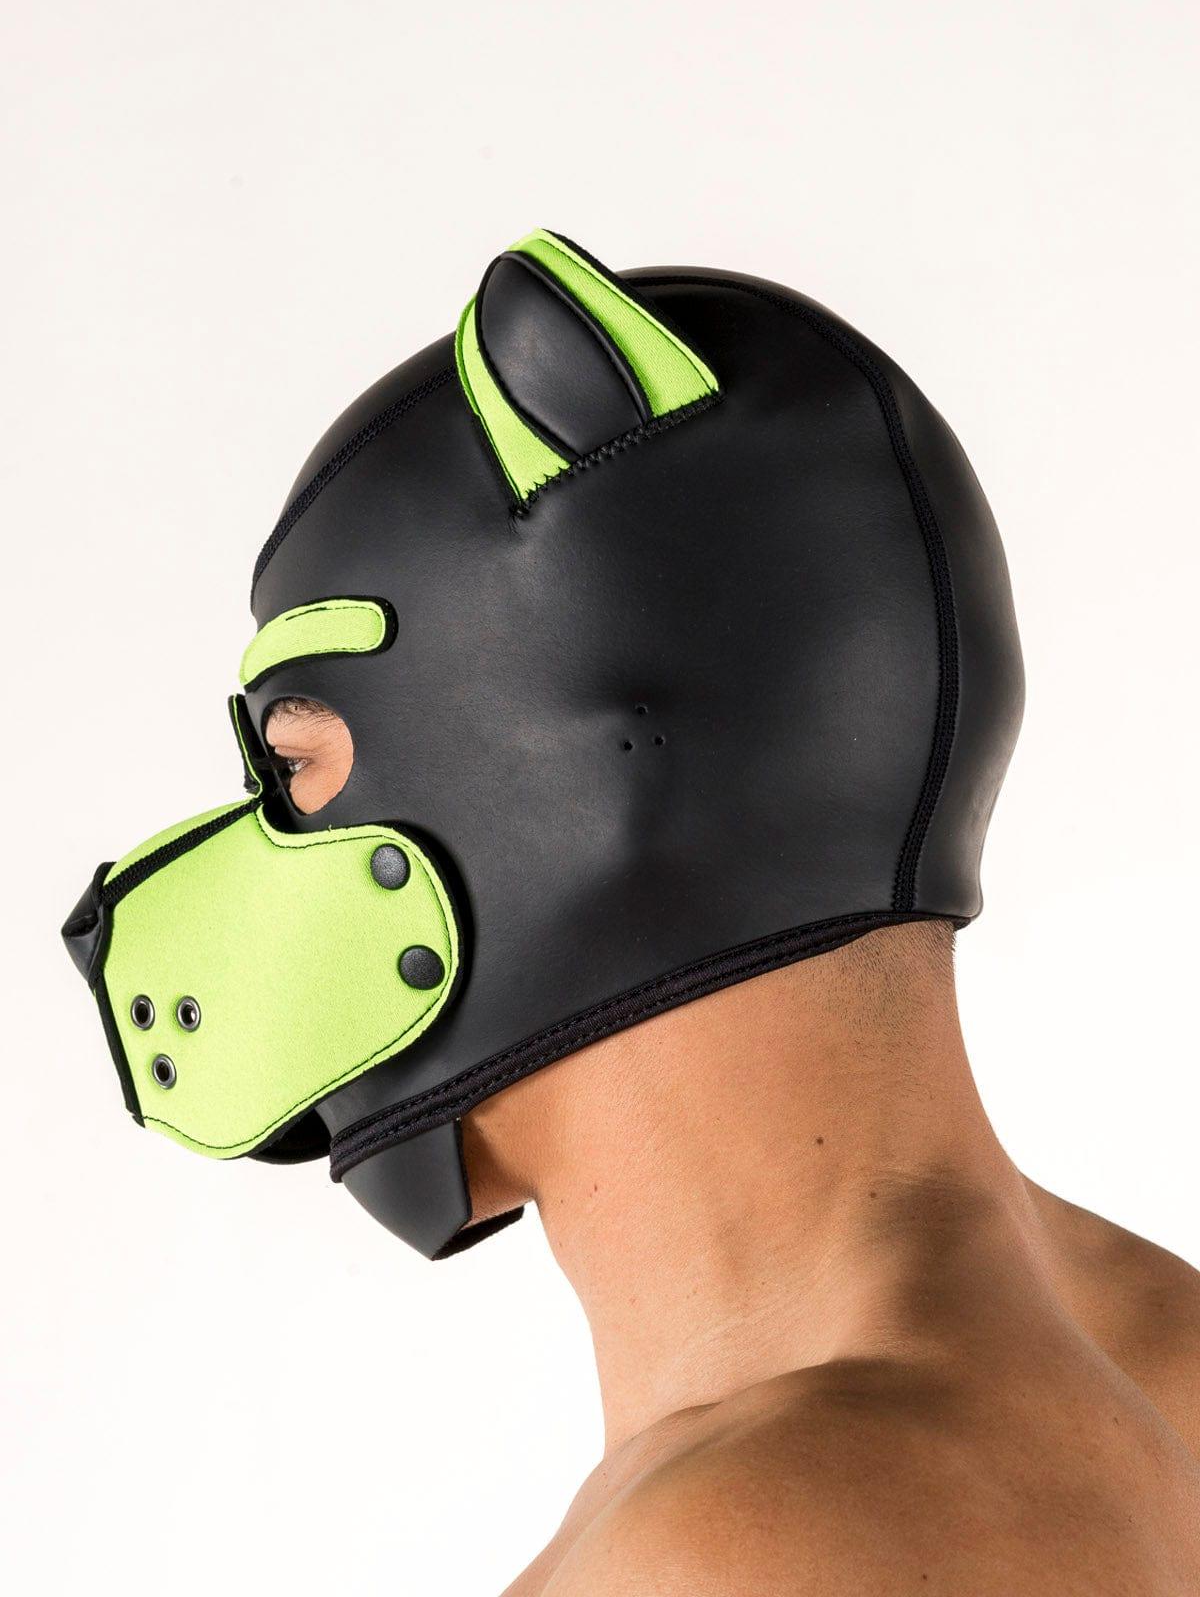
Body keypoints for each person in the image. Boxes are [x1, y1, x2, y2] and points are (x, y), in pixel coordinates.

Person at [65, 231, 1200, 1592]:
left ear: (566, 772)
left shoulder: (728, 1550)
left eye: (297, 767)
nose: (263, 844)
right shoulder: (1169, 1355)